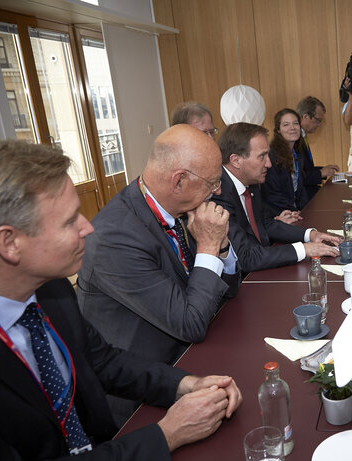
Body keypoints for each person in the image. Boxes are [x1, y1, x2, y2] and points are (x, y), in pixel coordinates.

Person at [0, 137, 242, 461]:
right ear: (9, 243)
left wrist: (188, 383)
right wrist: (166, 435)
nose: (89, 228)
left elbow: (104, 361)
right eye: (70, 221)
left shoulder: (52, 289)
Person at [77, 125, 240, 420]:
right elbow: (190, 323)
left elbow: (230, 289)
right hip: (139, 399)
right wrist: (207, 246)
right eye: (213, 182)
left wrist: (222, 246)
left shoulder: (180, 209)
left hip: (189, 358)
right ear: (179, 181)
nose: (218, 190)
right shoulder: (116, 237)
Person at [212, 122, 341, 274]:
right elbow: (246, 257)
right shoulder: (219, 195)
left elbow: (266, 224)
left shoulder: (250, 182)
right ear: (236, 160)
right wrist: (303, 249)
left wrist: (310, 234)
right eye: (262, 156)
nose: (269, 163)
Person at [262, 108, 309, 217]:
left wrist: (307, 210)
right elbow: (272, 195)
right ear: (278, 130)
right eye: (286, 124)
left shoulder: (296, 153)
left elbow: (300, 189)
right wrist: (293, 211)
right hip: (280, 215)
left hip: (295, 212)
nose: (292, 127)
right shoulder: (272, 156)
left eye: (295, 123)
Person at [297, 96, 340, 201]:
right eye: (318, 120)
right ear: (306, 116)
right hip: (302, 198)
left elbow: (306, 169)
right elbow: (297, 177)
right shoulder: (294, 140)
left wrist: (324, 170)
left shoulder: (303, 136)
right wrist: (320, 173)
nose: (319, 124)